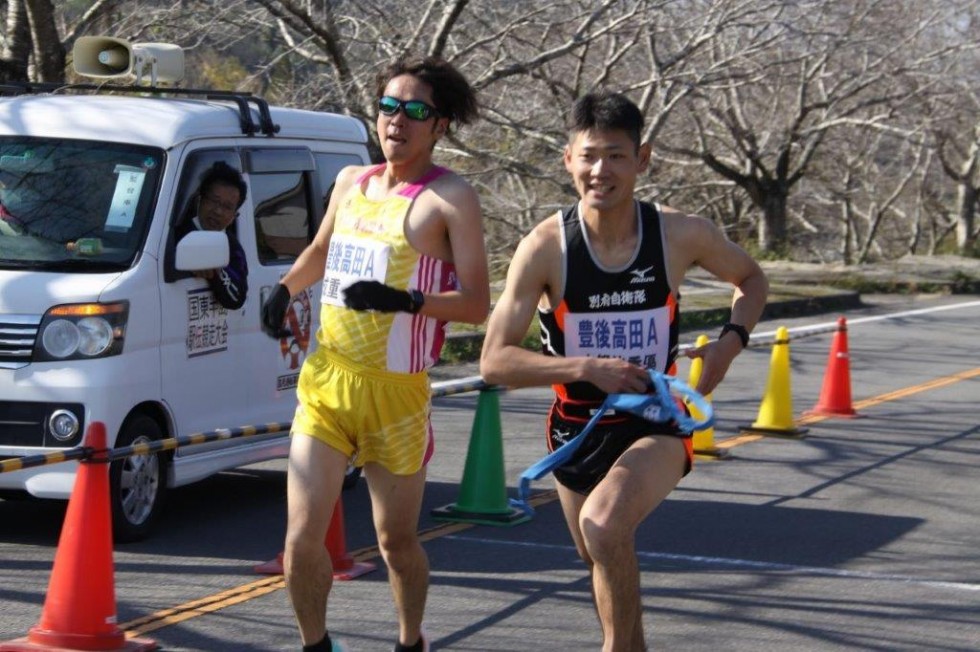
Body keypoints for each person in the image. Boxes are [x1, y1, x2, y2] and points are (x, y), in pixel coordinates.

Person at [480, 92, 769, 651]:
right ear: (568, 160)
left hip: (655, 423)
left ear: (643, 159)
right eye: (588, 156)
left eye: (616, 156)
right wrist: (588, 366)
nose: (600, 170)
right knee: (601, 560)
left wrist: (730, 345)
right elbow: (495, 361)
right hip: (576, 431)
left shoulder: (679, 234)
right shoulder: (545, 247)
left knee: (605, 526)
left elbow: (751, 280)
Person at [260, 54, 487, 652]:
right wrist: (284, 290)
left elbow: (476, 303)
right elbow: (318, 249)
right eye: (389, 106)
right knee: (302, 537)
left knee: (395, 543)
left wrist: (403, 299)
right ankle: (317, 645)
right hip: (329, 381)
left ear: (439, 126)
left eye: (416, 111)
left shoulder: (450, 198)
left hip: (396, 394)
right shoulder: (350, 182)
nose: (398, 121)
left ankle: (410, 640)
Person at [176, 161, 249, 310]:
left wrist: (215, 270)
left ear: (234, 216)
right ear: (200, 199)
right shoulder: (175, 232)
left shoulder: (232, 248)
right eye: (214, 201)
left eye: (227, 207)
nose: (218, 211)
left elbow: (236, 298)